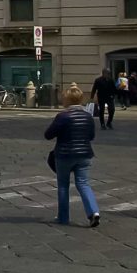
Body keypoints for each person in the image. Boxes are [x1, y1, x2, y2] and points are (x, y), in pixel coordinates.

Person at [44, 84, 100, 227]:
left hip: (64, 154)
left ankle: (63, 218)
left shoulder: (63, 116)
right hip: (85, 155)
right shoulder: (88, 116)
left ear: (67, 100)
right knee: (83, 183)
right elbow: (91, 136)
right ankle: (93, 212)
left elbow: (48, 135)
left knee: (63, 185)